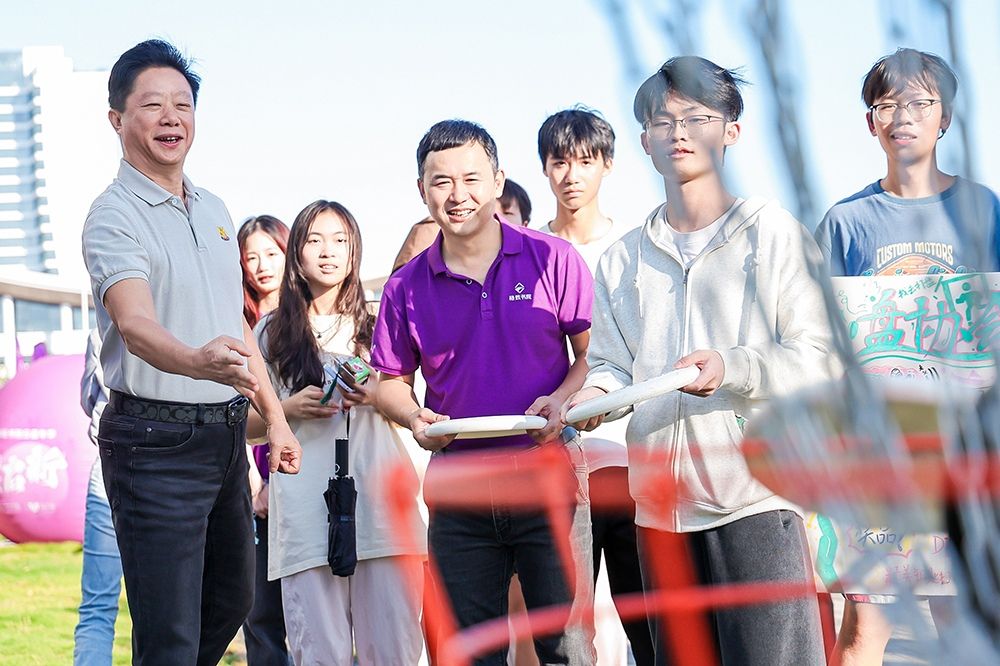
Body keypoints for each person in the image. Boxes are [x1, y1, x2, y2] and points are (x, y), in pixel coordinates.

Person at [562, 55, 835, 666]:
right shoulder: (623, 259)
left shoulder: (774, 234)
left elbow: (820, 357)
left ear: (731, 130)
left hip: (757, 502)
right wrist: (592, 397)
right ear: (645, 141)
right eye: (663, 121)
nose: (679, 132)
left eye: (696, 118)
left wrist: (733, 366)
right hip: (659, 516)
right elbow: (610, 365)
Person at [81, 40, 301, 666]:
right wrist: (198, 362)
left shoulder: (215, 210)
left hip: (224, 436)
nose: (171, 117)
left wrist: (275, 418)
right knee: (171, 631)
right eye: (152, 104)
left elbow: (235, 327)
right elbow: (135, 326)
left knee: (232, 601)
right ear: (117, 118)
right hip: (153, 443)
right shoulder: (112, 215)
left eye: (183, 104)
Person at [372, 119, 594, 665]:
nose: (458, 194)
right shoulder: (404, 287)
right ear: (422, 190)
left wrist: (563, 400)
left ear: (498, 181)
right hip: (459, 488)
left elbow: (593, 356)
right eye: (441, 181)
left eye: (471, 178)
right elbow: (389, 382)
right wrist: (414, 416)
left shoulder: (554, 258)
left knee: (567, 650)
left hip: (548, 476)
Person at [815, 48, 1000, 666]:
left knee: (960, 623)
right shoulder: (846, 222)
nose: (903, 116)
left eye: (920, 102)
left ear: (945, 117)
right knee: (866, 627)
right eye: (887, 104)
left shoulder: (984, 211)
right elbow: (821, 339)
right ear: (870, 121)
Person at [247, 200, 427, 664]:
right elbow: (244, 424)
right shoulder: (269, 333)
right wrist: (288, 409)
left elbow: (418, 409)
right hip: (304, 517)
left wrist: (377, 393)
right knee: (319, 653)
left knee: (393, 651)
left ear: (354, 251)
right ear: (297, 252)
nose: (328, 252)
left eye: (340, 240)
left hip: (383, 511)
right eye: (315, 240)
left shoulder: (382, 320)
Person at [537, 107, 653, 665]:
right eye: (559, 162)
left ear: (608, 165)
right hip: (557, 466)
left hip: (633, 464)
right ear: (544, 169)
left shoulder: (636, 252)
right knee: (567, 630)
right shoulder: (527, 253)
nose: (571, 175)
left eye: (585, 161)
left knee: (649, 623)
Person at [237, 215, 293, 666]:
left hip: (295, 476)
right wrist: (256, 484)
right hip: (253, 486)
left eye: (271, 253)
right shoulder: (235, 323)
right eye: (251, 257)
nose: (262, 266)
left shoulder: (303, 324)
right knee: (260, 613)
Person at [73, 329, 122, 666]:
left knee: (97, 604)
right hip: (168, 468)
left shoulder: (100, 330)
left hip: (108, 463)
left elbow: (88, 398)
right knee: (165, 609)